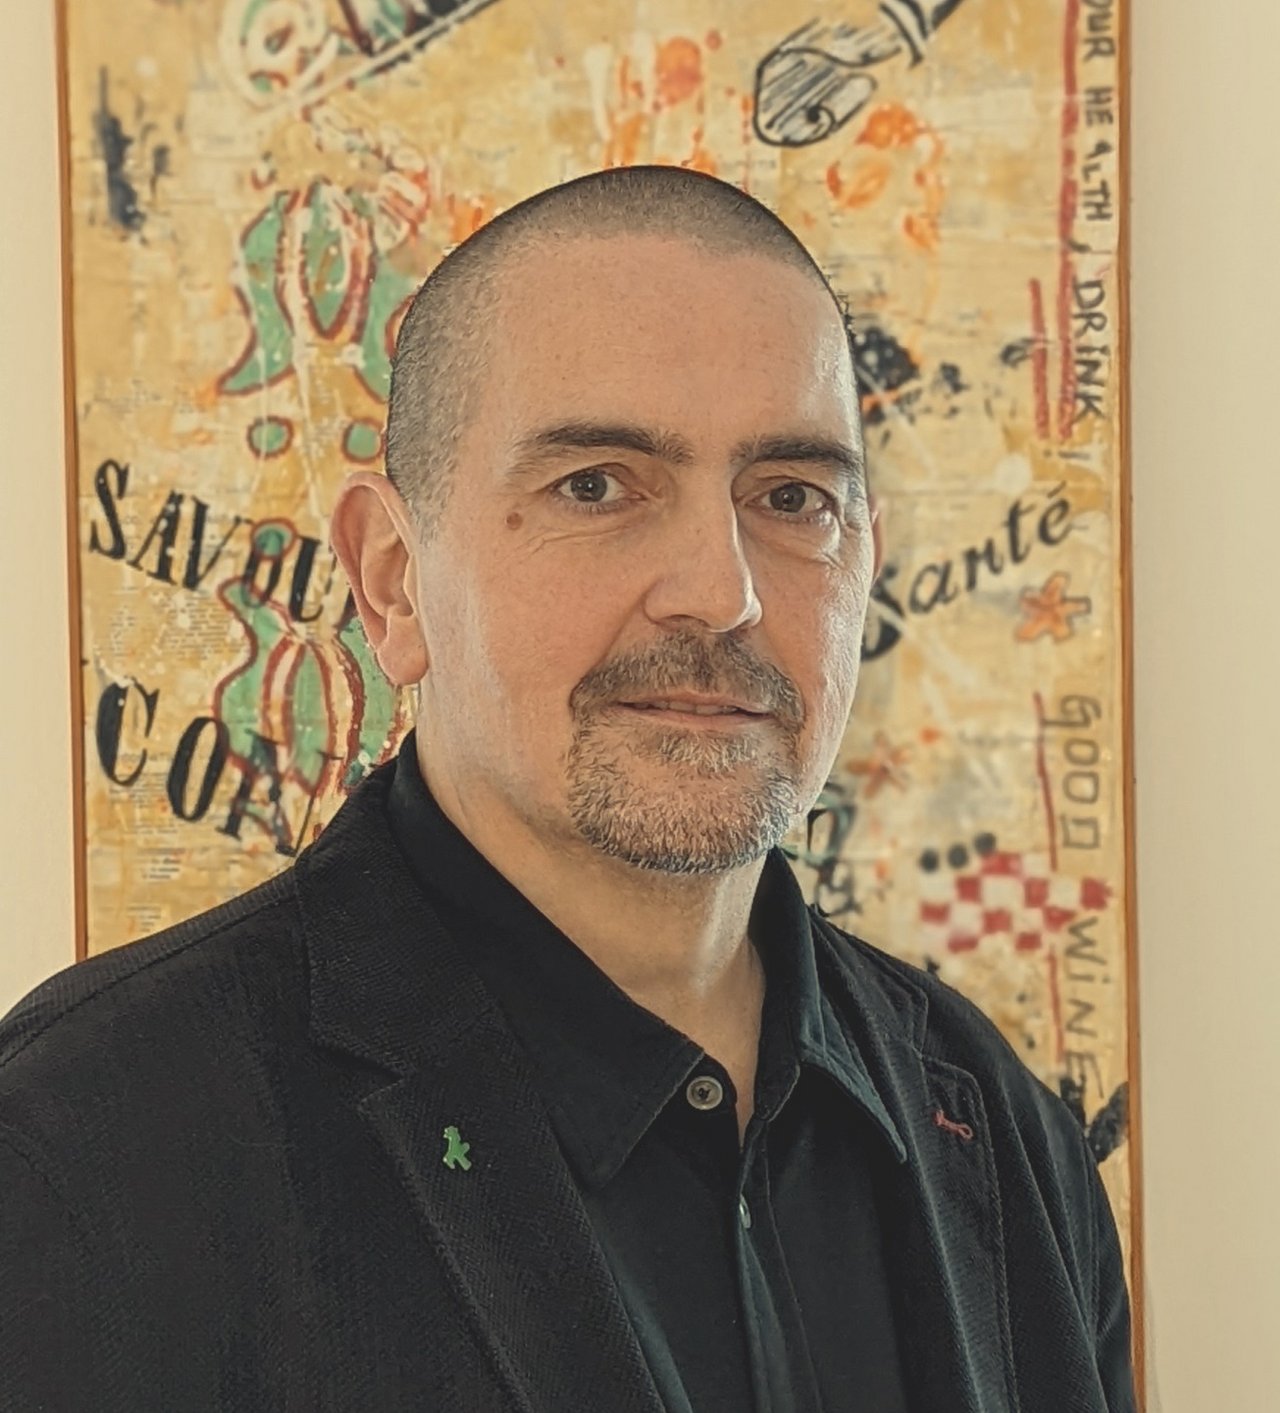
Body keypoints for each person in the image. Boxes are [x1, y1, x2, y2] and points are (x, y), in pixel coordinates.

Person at [0, 166, 1135, 1412]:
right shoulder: (88, 1147)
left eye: (790, 499)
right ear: (391, 581)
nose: (720, 593)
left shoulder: (1004, 1139)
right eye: (595, 485)